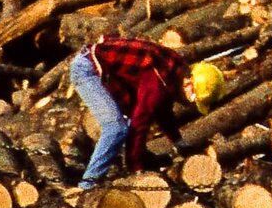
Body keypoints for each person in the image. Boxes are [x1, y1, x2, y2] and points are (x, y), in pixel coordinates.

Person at [66, 28, 192, 193]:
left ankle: (143, 158)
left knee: (130, 118)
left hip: (105, 68)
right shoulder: (158, 83)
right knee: (116, 128)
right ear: (189, 83)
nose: (189, 101)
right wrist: (136, 169)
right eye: (192, 97)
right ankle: (87, 185)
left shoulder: (172, 72)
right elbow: (140, 122)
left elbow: (163, 112)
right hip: (87, 69)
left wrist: (179, 142)